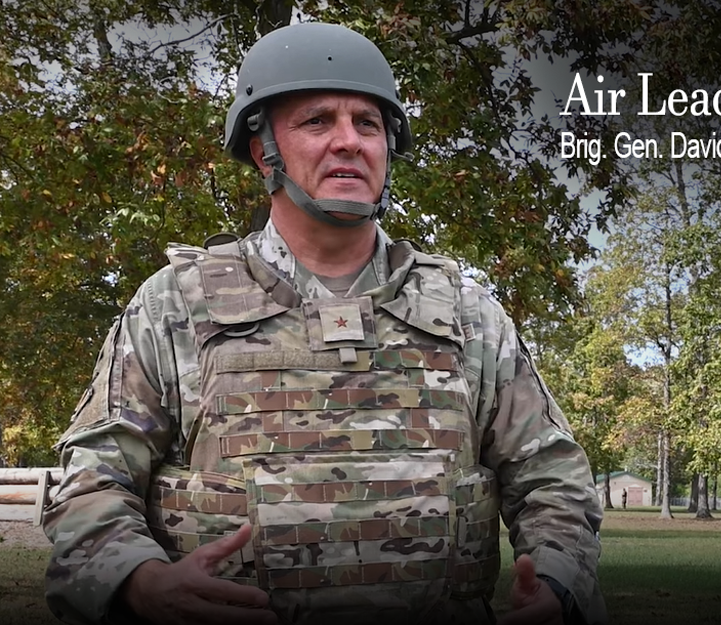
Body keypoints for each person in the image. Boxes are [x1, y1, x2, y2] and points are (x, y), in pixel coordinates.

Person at [41, 21, 606, 625]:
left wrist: (556, 580)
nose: (349, 141)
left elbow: (553, 478)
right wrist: (141, 581)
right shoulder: (175, 306)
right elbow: (88, 486)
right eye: (318, 121)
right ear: (265, 150)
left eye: (368, 123)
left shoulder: (465, 313)